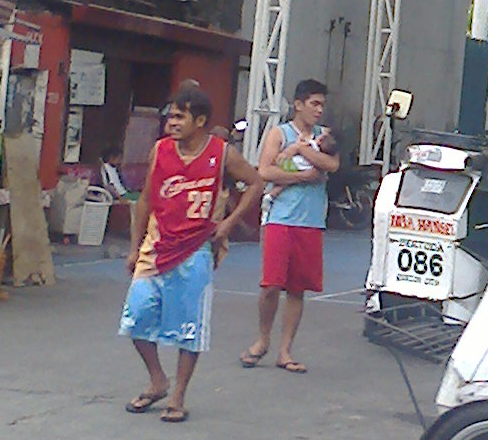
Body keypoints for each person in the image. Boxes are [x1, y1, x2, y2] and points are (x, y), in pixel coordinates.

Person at [121, 84, 263, 422]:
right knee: (136, 317)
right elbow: (145, 201)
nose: (172, 122)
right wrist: (134, 246)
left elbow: (256, 183)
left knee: (189, 329)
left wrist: (228, 224)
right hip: (155, 249)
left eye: (179, 116)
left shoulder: (222, 153)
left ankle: (178, 396)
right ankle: (158, 380)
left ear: (199, 121)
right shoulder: (160, 151)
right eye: (170, 116)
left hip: (195, 252)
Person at [241, 78, 338, 373]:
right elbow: (265, 171)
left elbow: (332, 166)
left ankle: (285, 350)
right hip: (281, 218)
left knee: (297, 288)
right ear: (298, 105)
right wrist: (300, 176)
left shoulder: (325, 137)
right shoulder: (278, 134)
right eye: (314, 104)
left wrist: (300, 152)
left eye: (322, 104)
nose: (319, 110)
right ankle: (263, 339)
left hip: (311, 221)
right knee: (271, 285)